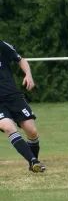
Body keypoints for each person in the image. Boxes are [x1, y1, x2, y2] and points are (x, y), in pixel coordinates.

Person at [0, 40, 45, 172]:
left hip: (13, 97)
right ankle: (33, 161)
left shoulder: (1, 45)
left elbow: (21, 60)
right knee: (8, 127)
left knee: (32, 131)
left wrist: (28, 75)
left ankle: (33, 164)